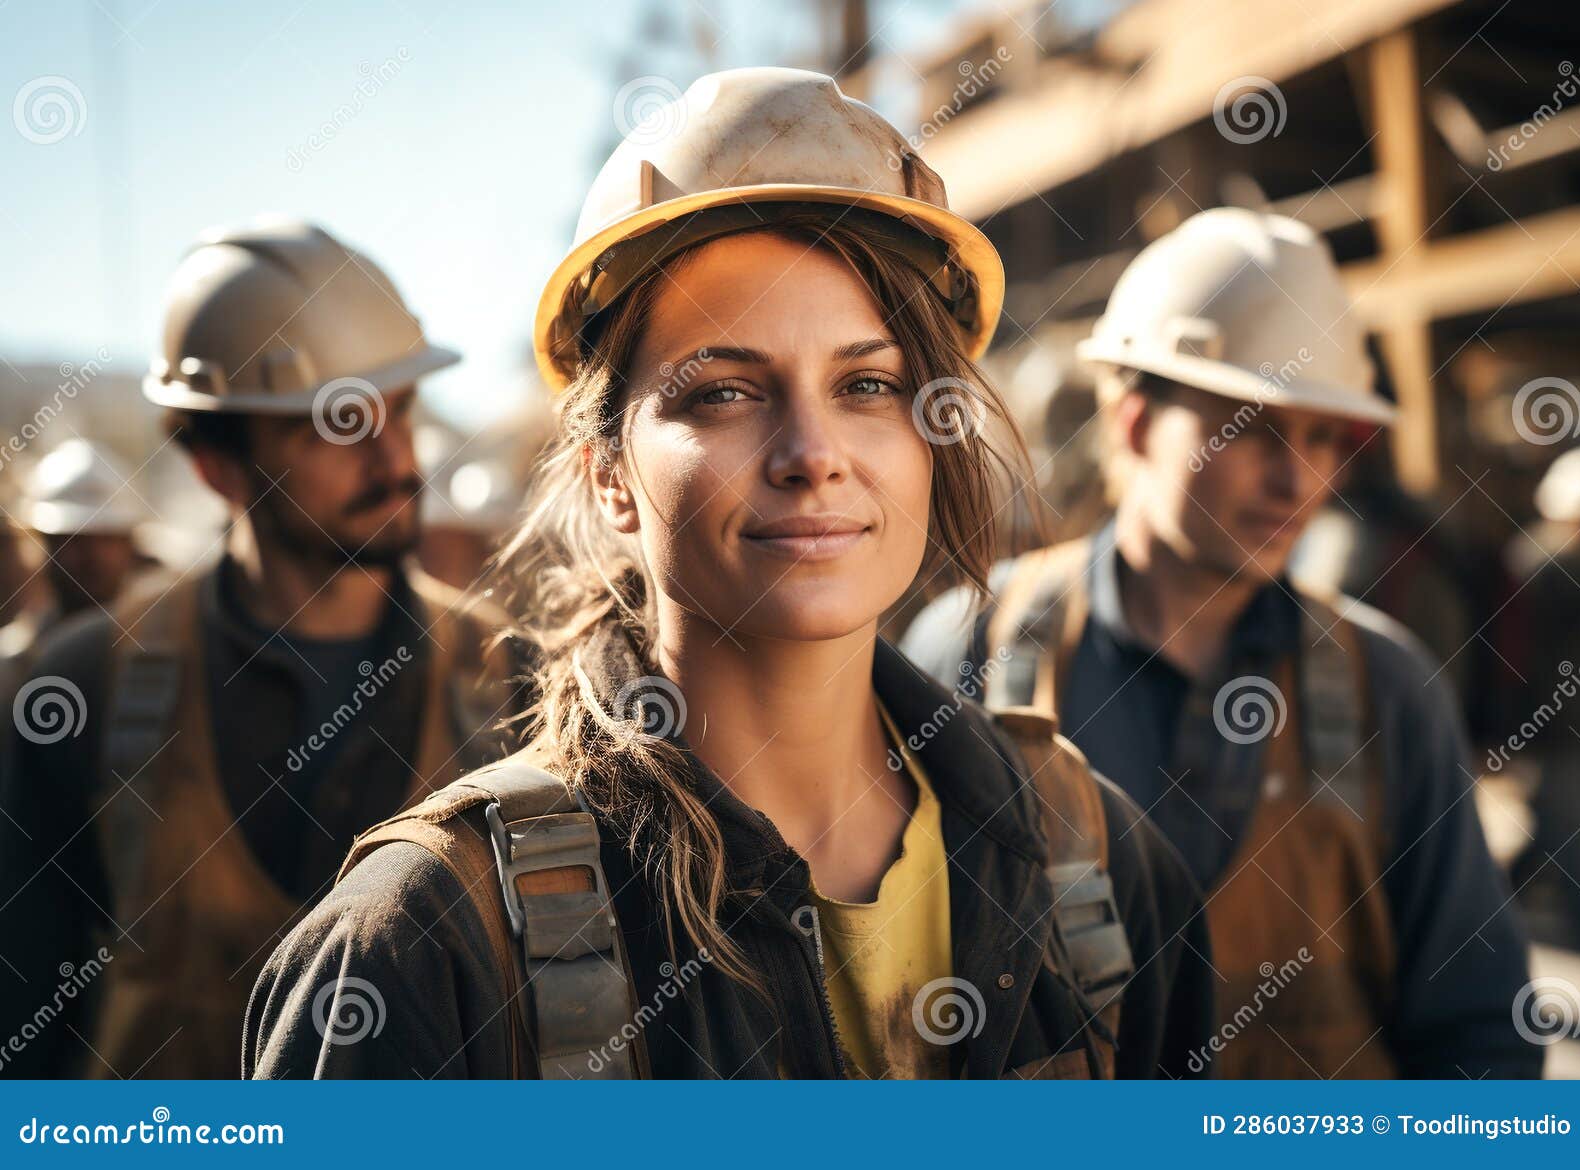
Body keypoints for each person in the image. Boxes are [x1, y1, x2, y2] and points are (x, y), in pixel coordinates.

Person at [244, 67, 1212, 1080]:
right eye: (722, 393)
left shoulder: (1095, 867)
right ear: (609, 476)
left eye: (868, 384)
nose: (811, 452)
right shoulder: (417, 953)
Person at [904, 208, 1538, 1079]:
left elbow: (1479, 1034)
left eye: (1324, 439)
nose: (1297, 479)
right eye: (1255, 427)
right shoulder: (970, 649)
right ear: (1132, 423)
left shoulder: (1387, 686)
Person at [0, 219, 518, 1079]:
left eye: (402, 412)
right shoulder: (81, 686)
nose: (397, 461)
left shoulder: (515, 677)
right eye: (338, 426)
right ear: (219, 467)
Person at [1502, 444, 1580, 951]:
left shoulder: (1538, 560)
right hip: (1557, 730)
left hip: (1563, 729)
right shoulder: (1555, 568)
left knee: (1553, 832)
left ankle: (1482, 908)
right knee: (1567, 835)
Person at [0, 439, 142, 700]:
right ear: (38, 543)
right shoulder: (11, 666)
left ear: (130, 544)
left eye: (107, 539)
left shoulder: (165, 654)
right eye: (73, 539)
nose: (93, 557)